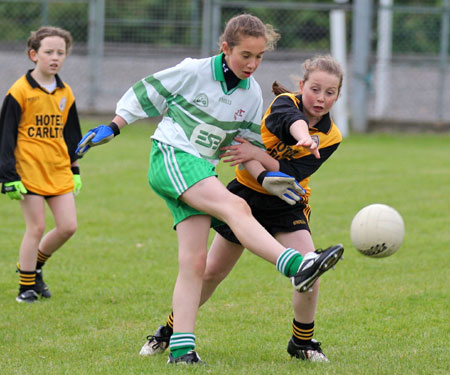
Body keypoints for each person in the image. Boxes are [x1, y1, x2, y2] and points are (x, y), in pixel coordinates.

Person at [76, 15, 343, 365]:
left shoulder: (251, 94)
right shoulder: (197, 71)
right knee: (237, 208)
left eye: (259, 57)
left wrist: (264, 176)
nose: (253, 64)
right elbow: (149, 89)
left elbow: (242, 146)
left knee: (197, 264)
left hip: (213, 173)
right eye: (246, 55)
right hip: (174, 155)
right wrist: (115, 125)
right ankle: (295, 264)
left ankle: (181, 349)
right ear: (225, 48)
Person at [140, 55, 344, 363]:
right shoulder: (284, 104)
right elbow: (287, 125)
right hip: (246, 194)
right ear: (302, 86)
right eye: (315, 89)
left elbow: (292, 172)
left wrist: (256, 154)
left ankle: (303, 341)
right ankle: (169, 331)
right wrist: (300, 139)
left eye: (330, 93)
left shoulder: (332, 136)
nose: (321, 98)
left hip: (287, 201)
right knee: (210, 273)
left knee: (310, 269)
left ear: (338, 96)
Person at [0, 26, 83, 303]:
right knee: (35, 228)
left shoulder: (65, 92)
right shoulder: (19, 91)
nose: (55, 57)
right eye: (49, 52)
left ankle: (34, 268)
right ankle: (26, 288)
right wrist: (7, 175)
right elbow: (6, 135)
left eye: (61, 52)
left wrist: (75, 168)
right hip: (28, 170)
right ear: (33, 54)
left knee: (68, 226)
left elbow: (72, 135)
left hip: (58, 169)